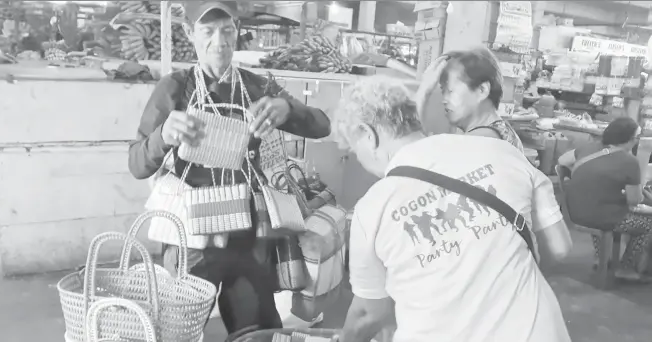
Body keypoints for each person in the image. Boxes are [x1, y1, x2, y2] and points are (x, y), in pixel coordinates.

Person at [127, 1, 331, 334]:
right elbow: (137, 163)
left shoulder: (255, 87)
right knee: (177, 330)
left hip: (248, 236)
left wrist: (286, 108)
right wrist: (163, 135)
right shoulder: (175, 89)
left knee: (256, 332)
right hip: (191, 240)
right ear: (190, 34)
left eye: (227, 29)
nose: (219, 41)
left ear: (237, 30)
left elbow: (322, 126)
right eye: (208, 31)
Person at [332, 76, 572, 342]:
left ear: (369, 134)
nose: (361, 160)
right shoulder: (501, 152)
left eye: (355, 149)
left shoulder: (374, 206)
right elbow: (559, 248)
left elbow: (369, 314)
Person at [561, 117, 652, 281]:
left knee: (600, 203)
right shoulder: (629, 161)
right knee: (648, 224)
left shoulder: (589, 147)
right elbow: (634, 200)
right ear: (630, 140)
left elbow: (562, 162)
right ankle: (627, 268)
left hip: (575, 210)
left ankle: (602, 257)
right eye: (636, 137)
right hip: (599, 217)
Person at [416, 47, 524, 152]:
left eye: (450, 91)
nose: (444, 100)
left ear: (482, 90)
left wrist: (423, 92)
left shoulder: (481, 140)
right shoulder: (498, 133)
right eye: (443, 91)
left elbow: (414, 161)